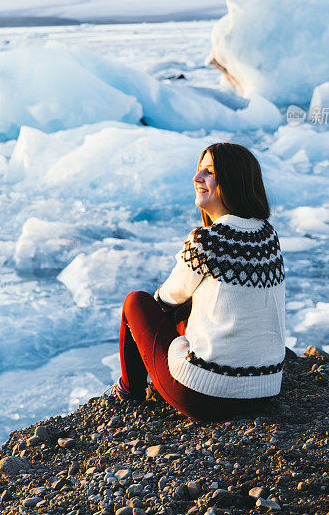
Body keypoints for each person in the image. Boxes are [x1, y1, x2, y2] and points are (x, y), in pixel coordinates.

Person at [113, 142, 285, 421]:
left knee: (137, 302)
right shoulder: (268, 235)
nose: (197, 178)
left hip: (206, 396)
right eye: (198, 171)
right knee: (200, 300)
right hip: (263, 391)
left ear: (233, 180)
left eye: (209, 172)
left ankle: (128, 390)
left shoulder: (208, 240)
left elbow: (167, 298)